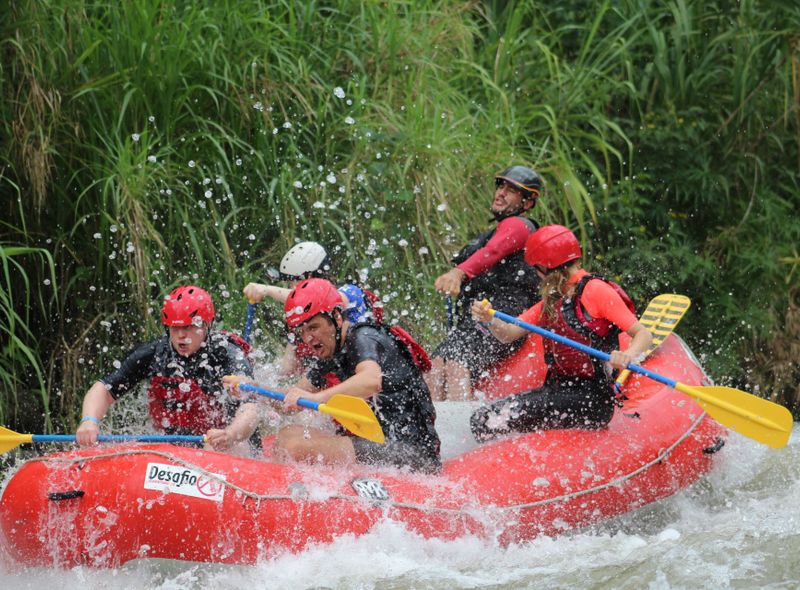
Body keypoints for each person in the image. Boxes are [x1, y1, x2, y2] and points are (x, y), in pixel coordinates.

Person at [228, 278, 441, 473]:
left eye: (314, 327)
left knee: (293, 445)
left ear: (337, 317)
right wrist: (252, 389)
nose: (308, 338)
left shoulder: (365, 337)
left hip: (412, 453)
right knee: (288, 433)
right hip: (376, 445)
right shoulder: (328, 354)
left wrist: (317, 398)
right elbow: (294, 397)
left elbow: (370, 380)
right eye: (301, 331)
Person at [469, 225, 653, 441]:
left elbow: (643, 334)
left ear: (550, 268)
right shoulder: (555, 298)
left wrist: (628, 356)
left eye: (537, 269)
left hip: (591, 399)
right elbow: (508, 333)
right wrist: (490, 319)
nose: (536, 276)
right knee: (482, 418)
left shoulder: (595, 290)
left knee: (485, 420)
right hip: (558, 392)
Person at [76, 285, 260, 454]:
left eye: (188, 327)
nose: (181, 335)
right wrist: (89, 421)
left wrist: (230, 434)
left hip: (228, 442)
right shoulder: (154, 353)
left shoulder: (227, 353)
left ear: (206, 325)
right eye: (175, 328)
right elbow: (104, 389)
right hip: (176, 445)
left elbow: (250, 409)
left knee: (215, 447)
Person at [429, 166, 543, 401]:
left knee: (457, 361)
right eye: (501, 186)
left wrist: (458, 273)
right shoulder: (497, 229)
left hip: (504, 315)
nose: (501, 193)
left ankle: (459, 431)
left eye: (511, 190)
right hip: (479, 315)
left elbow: (493, 252)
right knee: (436, 364)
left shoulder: (520, 225)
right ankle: (432, 432)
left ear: (528, 202)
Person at [243, 241, 382, 376]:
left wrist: (267, 290)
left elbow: (323, 299)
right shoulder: (304, 324)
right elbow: (287, 368)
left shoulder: (350, 293)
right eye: (289, 283)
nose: (291, 289)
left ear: (313, 276)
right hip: (333, 376)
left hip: (365, 372)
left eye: (294, 282)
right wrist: (252, 373)